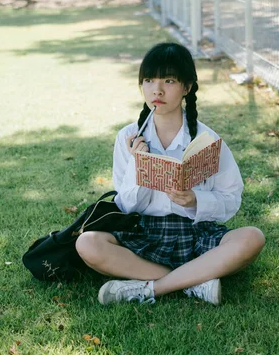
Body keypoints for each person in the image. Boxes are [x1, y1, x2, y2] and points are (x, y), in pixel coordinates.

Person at [75, 42, 265, 305]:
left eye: (169, 80)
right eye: (149, 80)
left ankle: (151, 289)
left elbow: (231, 198)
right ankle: (194, 282)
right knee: (87, 244)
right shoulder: (127, 137)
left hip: (196, 233)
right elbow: (125, 205)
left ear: (186, 87)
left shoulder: (207, 139)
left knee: (252, 237)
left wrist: (195, 200)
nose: (157, 90)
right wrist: (137, 163)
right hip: (145, 232)